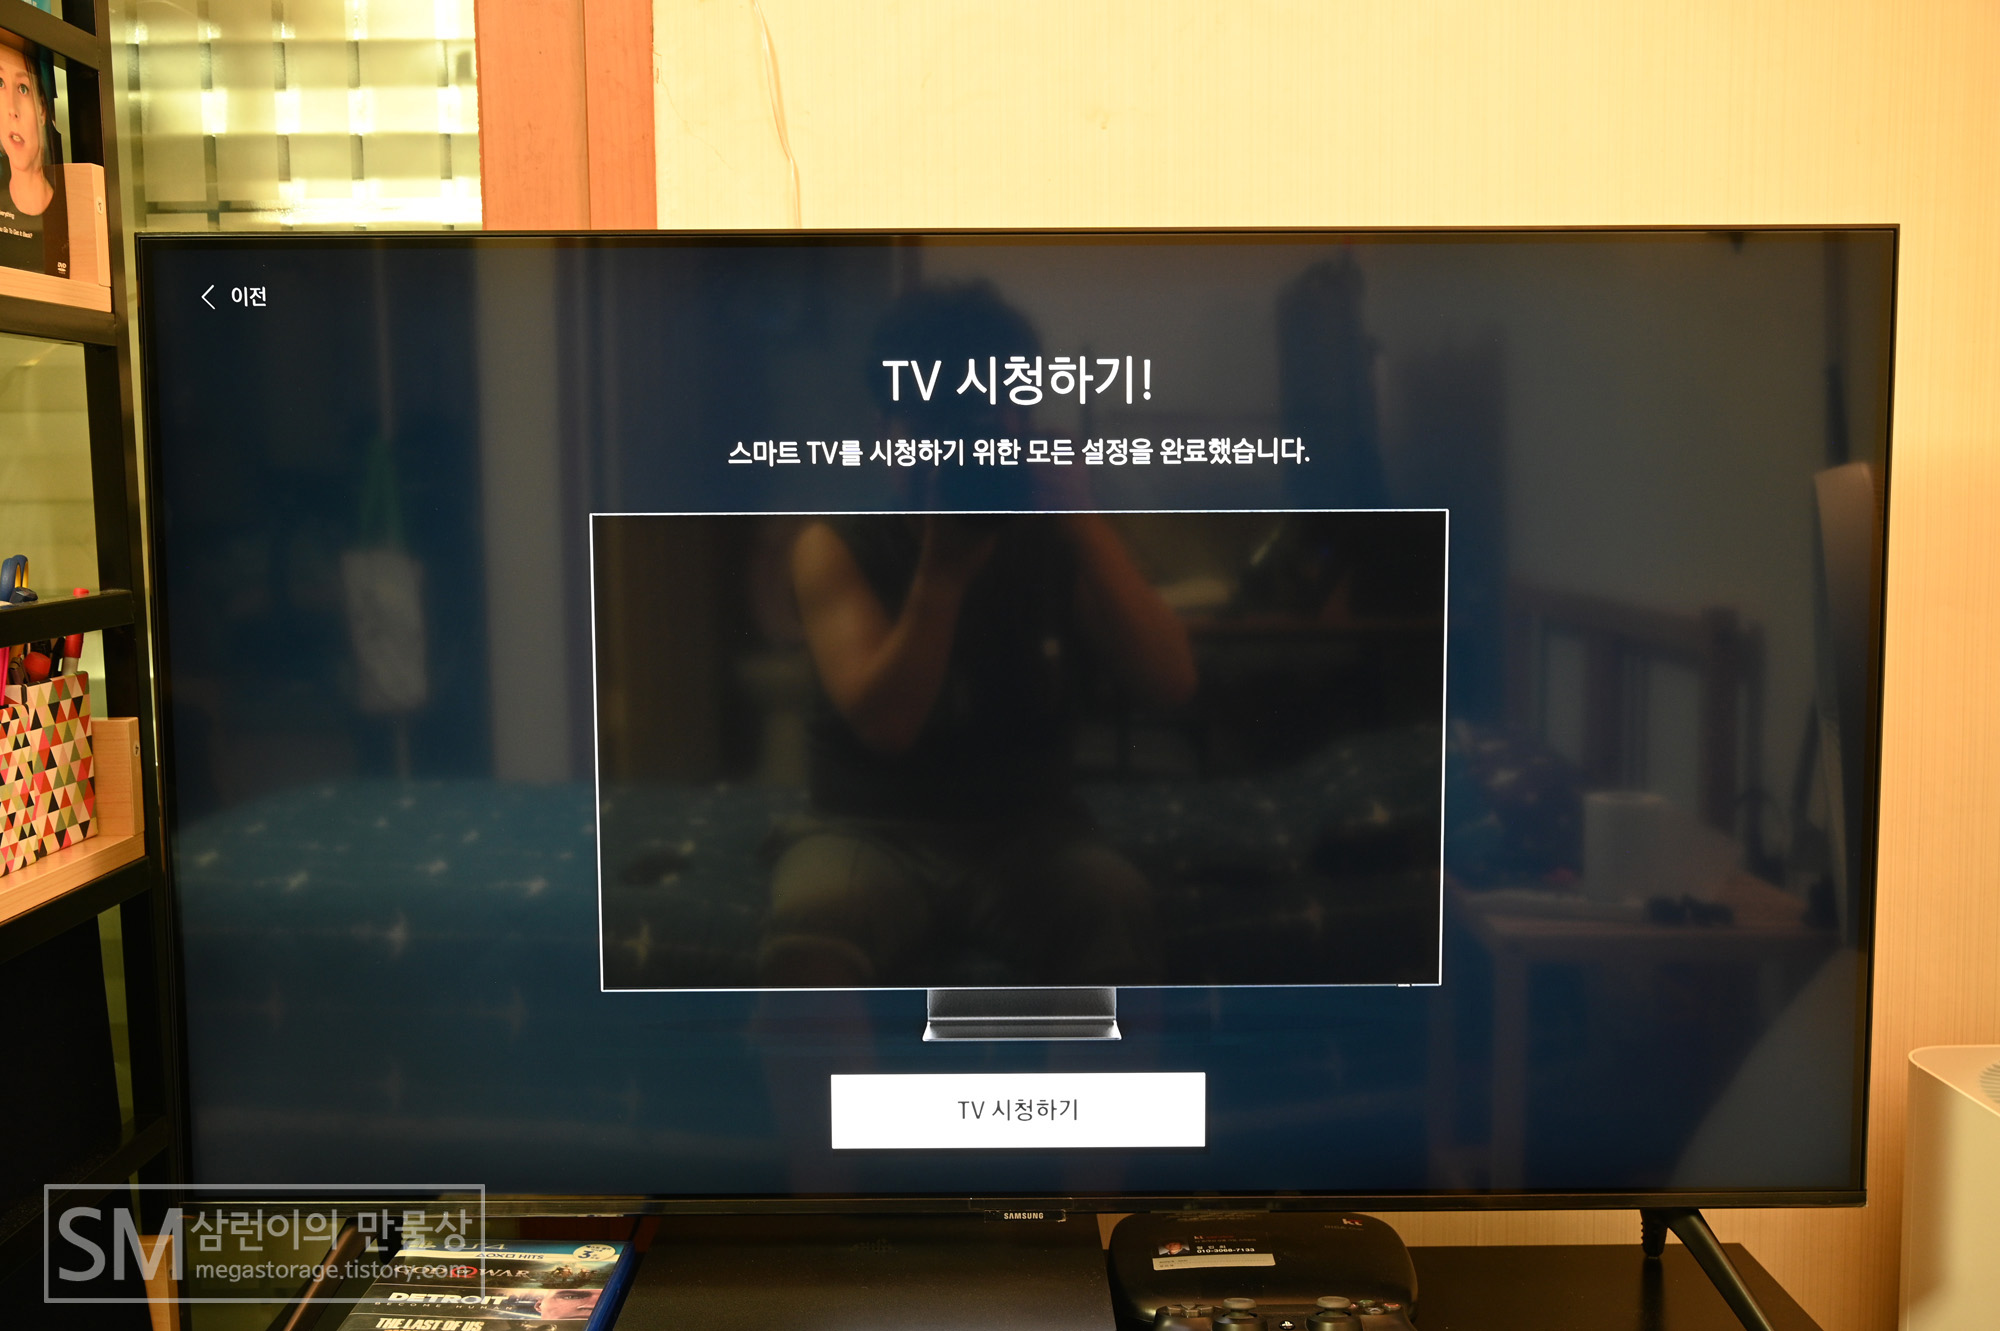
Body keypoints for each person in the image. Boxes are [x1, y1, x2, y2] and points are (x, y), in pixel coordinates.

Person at [756, 283, 1197, 989]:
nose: (963, 449)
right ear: (886, 427)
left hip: (1032, 829)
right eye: (939, 423)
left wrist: (1084, 521)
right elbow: (888, 726)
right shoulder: (836, 543)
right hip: (868, 827)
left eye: (990, 419)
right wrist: (942, 577)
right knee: (811, 948)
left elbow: (1171, 681)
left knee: (1117, 909)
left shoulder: (1053, 530)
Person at [0, 34, 60, 273]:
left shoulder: (71, 212)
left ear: (42, 109)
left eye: (23, 88)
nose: (11, 109)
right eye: (0, 84)